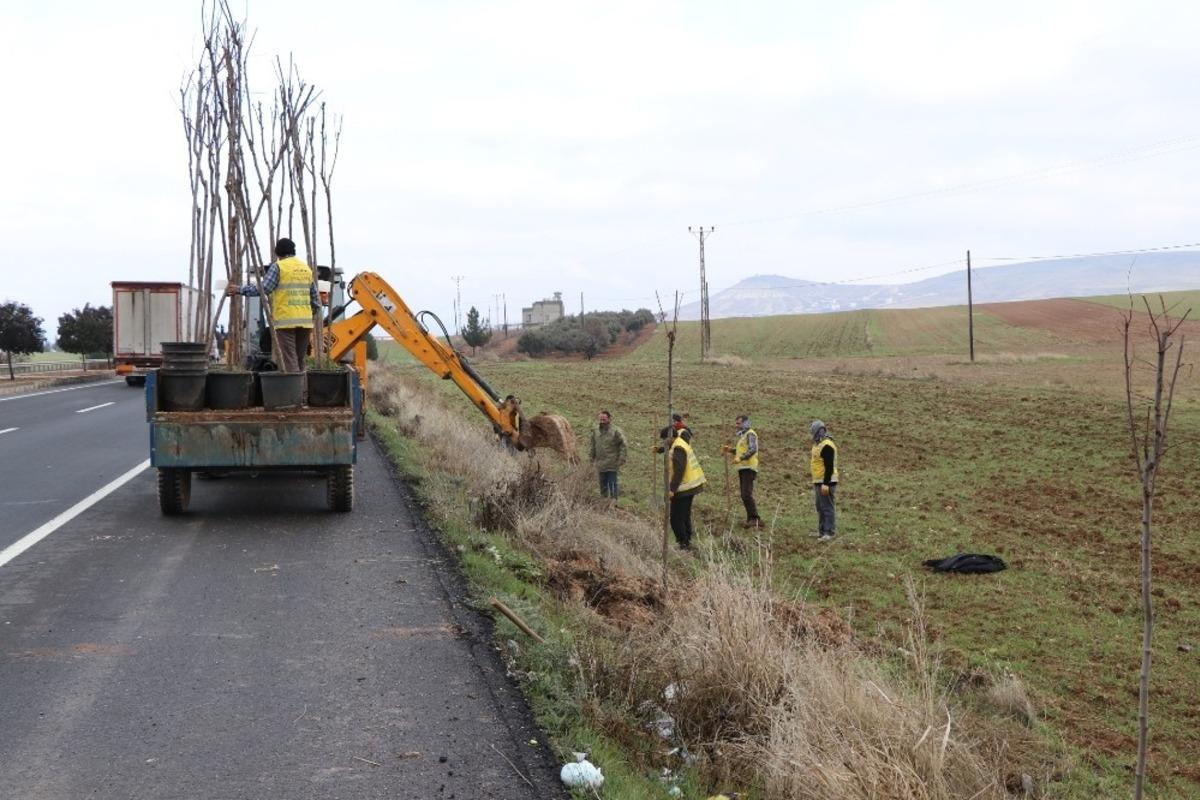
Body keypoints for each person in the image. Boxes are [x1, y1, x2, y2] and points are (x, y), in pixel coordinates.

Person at [227, 238, 321, 373]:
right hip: (305, 323)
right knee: (300, 361)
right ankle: (303, 391)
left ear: (278, 252)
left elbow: (264, 288)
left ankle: (293, 393)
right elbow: (316, 302)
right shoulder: (305, 268)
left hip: (285, 322)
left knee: (290, 361)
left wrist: (239, 290)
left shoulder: (279, 266)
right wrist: (306, 314)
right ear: (293, 251)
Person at [666, 425, 706, 549]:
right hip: (691, 486)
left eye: (664, 439)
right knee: (684, 515)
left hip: (683, 488)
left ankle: (682, 543)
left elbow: (679, 470)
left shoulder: (678, 448)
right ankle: (687, 540)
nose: (664, 442)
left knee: (676, 518)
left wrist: (672, 489)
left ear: (670, 437)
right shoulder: (680, 443)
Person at [722, 414, 761, 529]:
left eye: (738, 423)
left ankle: (755, 519)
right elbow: (740, 451)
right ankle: (751, 518)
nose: (736, 426)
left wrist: (741, 458)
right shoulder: (743, 436)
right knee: (745, 495)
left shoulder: (750, 434)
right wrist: (730, 450)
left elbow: (752, 449)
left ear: (745, 423)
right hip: (743, 468)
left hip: (749, 468)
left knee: (746, 495)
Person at [589, 410, 628, 499]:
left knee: (612, 484)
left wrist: (622, 458)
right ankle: (604, 501)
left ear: (609, 419)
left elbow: (623, 444)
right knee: (602, 484)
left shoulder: (615, 431)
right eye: (601, 419)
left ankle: (613, 502)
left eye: (604, 419)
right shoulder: (595, 431)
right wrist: (591, 458)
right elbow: (593, 445)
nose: (602, 421)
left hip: (612, 463)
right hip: (600, 463)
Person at [810, 420, 839, 541]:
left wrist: (826, 483)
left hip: (827, 481)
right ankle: (822, 531)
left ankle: (829, 532)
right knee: (820, 506)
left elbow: (829, 466)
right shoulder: (818, 444)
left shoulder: (827, 445)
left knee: (827, 507)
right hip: (818, 480)